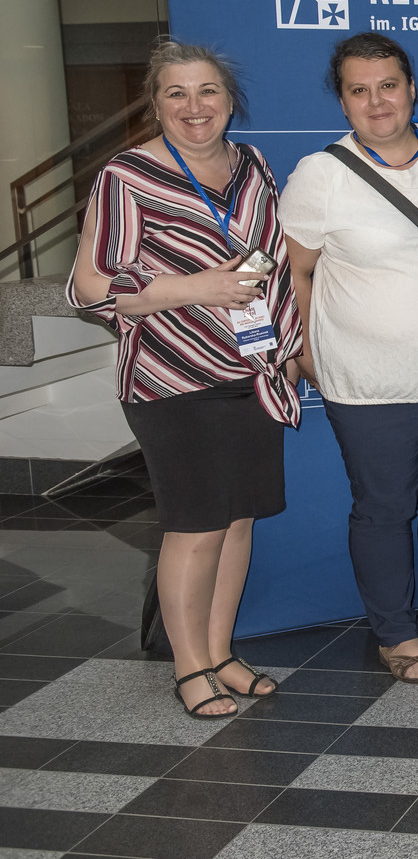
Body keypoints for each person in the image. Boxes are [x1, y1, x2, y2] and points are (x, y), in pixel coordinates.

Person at [68, 40, 302, 718]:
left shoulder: (252, 165)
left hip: (251, 372)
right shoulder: (127, 176)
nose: (194, 106)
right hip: (173, 378)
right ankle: (190, 666)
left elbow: (272, 263)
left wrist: (285, 345)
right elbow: (88, 286)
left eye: (208, 91)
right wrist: (194, 287)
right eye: (176, 93)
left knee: (237, 522)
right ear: (156, 102)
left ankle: (221, 653)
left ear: (230, 101)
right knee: (195, 526)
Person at [279, 33, 418, 685]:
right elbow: (294, 274)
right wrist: (304, 355)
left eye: (389, 85)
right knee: (384, 509)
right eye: (359, 90)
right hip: (368, 384)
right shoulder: (321, 176)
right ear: (343, 101)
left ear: (412, 89)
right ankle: (395, 631)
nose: (377, 102)